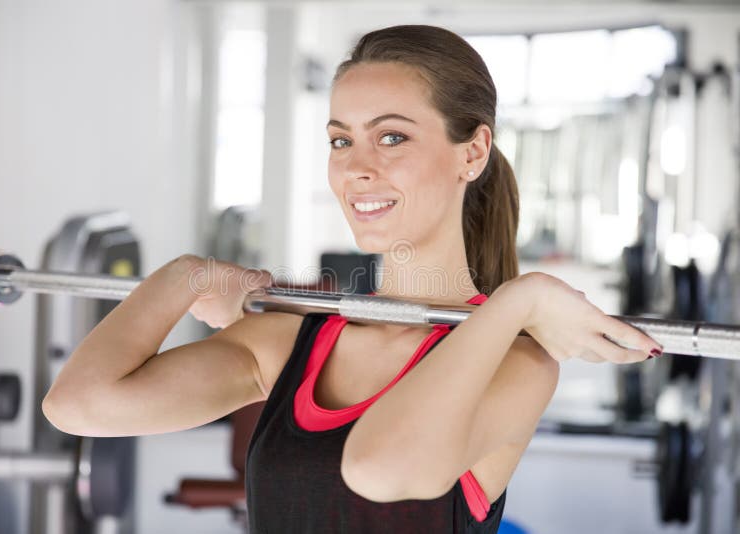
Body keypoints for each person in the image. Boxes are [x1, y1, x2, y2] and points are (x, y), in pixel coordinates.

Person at [42, 24, 664, 533]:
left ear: (472, 153)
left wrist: (518, 300)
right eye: (341, 141)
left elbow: (382, 469)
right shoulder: (291, 345)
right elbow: (78, 405)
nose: (357, 169)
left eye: (391, 136)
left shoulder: (517, 365)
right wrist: (187, 275)